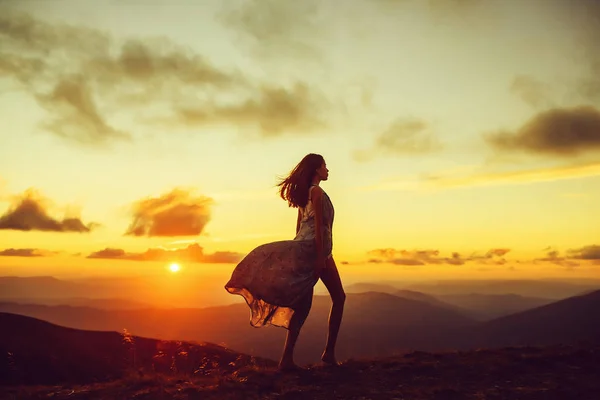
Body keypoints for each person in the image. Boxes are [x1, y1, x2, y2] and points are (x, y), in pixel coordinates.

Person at [224, 153, 346, 371]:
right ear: (317, 169)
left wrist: (306, 253)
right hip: (317, 251)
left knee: (304, 305)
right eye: (325, 166)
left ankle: (288, 360)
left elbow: (299, 230)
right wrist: (318, 257)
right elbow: (318, 226)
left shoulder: (306, 195)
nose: (328, 170)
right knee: (338, 297)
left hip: (315, 249)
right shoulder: (316, 192)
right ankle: (327, 354)